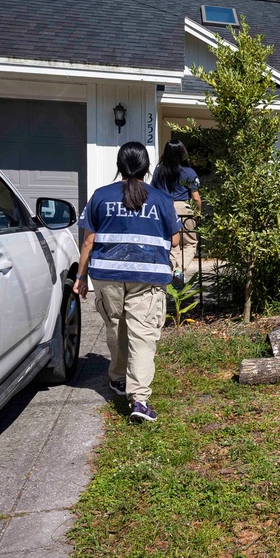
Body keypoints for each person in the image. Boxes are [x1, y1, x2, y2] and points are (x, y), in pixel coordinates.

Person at [74, 142, 181, 423]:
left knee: (116, 327)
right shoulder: (162, 200)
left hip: (107, 275)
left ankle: (119, 379)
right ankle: (140, 401)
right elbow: (176, 239)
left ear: (119, 166)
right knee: (143, 335)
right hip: (147, 277)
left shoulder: (99, 196)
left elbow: (88, 241)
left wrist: (81, 277)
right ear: (147, 168)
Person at [151, 140, 202, 286]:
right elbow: (196, 197)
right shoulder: (189, 172)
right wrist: (198, 213)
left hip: (164, 209)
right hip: (183, 209)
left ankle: (169, 269)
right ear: (182, 153)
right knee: (190, 243)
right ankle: (179, 270)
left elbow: (153, 192)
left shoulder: (159, 171)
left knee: (173, 244)